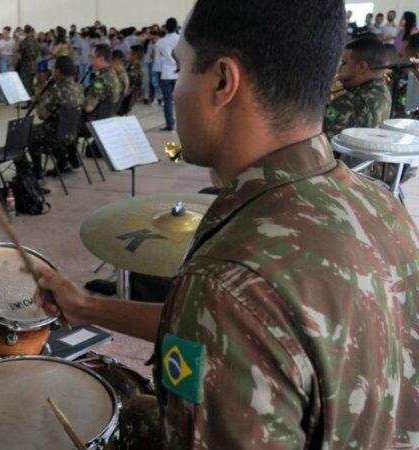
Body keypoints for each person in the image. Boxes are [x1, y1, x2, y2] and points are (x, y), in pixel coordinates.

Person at [33, 0, 419, 447]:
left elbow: (235, 314)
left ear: (222, 81)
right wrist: (86, 307)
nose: (176, 89)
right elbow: (267, 337)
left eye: (181, 69)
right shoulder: (378, 202)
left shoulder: (228, 282)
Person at [323, 37, 391, 147]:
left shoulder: (350, 102)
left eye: (344, 63)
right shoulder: (383, 91)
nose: (339, 68)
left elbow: (320, 144)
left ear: (362, 67)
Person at [26, 55, 84, 177]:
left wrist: (40, 101)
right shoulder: (79, 87)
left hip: (56, 134)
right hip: (72, 133)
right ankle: (63, 163)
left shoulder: (57, 90)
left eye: (54, 69)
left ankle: (37, 170)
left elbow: (42, 115)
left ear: (58, 71)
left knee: (29, 132)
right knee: (49, 129)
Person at [82, 44, 121, 116]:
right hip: (106, 117)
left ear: (101, 59)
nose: (91, 61)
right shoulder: (112, 73)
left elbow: (89, 108)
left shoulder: (101, 79)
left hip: (95, 119)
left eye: (93, 58)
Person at [156, 18, 180, 131]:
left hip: (166, 73)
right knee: (181, 100)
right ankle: (183, 124)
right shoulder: (181, 39)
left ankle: (170, 124)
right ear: (176, 26)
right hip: (179, 73)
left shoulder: (160, 42)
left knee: (168, 101)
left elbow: (160, 58)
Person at [17, 25, 41, 97]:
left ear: (24, 31)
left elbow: (19, 51)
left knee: (26, 83)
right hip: (34, 64)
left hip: (26, 65)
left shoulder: (25, 41)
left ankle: (29, 101)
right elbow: (38, 52)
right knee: (32, 83)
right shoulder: (35, 41)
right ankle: (33, 99)